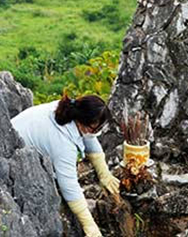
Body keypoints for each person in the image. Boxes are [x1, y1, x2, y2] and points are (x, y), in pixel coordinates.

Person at [11, 93, 119, 237]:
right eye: (95, 129)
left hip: (12, 134)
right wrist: (89, 224)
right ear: (82, 123)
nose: (96, 133)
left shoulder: (68, 110)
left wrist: (104, 173)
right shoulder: (63, 144)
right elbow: (69, 185)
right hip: (12, 156)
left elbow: (89, 138)